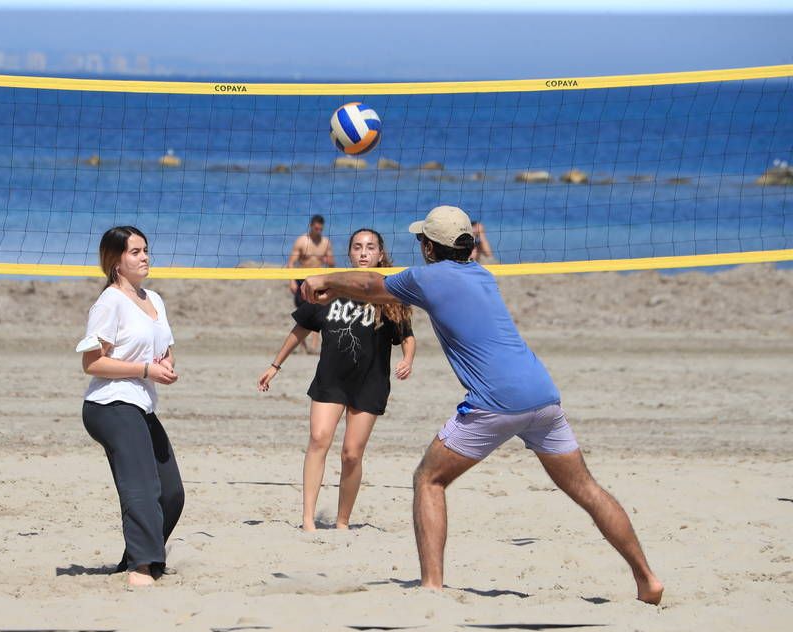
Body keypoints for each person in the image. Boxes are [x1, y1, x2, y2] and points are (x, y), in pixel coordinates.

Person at [299, 206, 663, 604]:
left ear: (430, 248)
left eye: (422, 240)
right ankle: (647, 579)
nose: (420, 246)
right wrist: (340, 288)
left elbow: (373, 284)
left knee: (428, 480)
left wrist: (326, 278)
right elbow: (373, 288)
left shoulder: (427, 277)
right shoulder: (482, 276)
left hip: (495, 402)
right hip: (541, 394)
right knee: (587, 489)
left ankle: (432, 588)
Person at [261, 229, 415, 531]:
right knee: (319, 439)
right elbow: (301, 329)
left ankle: (343, 522)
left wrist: (407, 359)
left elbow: (406, 337)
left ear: (380, 254)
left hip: (370, 381)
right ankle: (308, 520)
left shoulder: (390, 293)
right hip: (331, 378)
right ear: (350, 253)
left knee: (351, 454)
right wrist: (275, 365)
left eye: (370, 247)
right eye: (358, 247)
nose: (363, 252)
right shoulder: (330, 288)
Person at [77, 226, 184, 588]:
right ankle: (141, 568)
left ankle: (137, 555)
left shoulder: (154, 298)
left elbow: (161, 346)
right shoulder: (109, 302)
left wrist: (164, 363)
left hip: (140, 402)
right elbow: (92, 364)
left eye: (145, 250)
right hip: (110, 404)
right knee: (140, 487)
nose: (144, 257)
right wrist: (145, 369)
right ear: (116, 262)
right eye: (135, 252)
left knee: (171, 493)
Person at [287, 214, 335, 353]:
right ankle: (302, 346)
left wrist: (329, 262)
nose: (318, 231)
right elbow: (291, 263)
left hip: (318, 280)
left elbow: (332, 264)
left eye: (320, 229)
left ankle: (314, 346)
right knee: (302, 313)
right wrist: (291, 281)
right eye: (316, 228)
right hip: (302, 279)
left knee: (317, 311)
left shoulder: (325, 242)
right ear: (311, 227)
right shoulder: (302, 241)